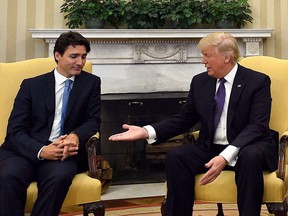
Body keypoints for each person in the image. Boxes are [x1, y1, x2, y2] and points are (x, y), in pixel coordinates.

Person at [109, 32, 278, 216]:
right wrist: (146, 131)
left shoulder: (257, 81)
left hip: (248, 145)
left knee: (249, 156)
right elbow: (184, 119)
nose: (202, 60)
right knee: (177, 156)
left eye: (207, 55)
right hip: (211, 147)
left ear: (226, 57)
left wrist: (226, 156)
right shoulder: (200, 82)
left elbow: (257, 126)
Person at [0, 31, 101, 216]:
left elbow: (93, 120)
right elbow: (15, 131)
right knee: (8, 176)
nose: (80, 62)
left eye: (84, 56)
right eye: (74, 56)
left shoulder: (91, 83)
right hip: (25, 151)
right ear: (57, 55)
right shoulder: (31, 85)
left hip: (63, 153)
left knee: (59, 177)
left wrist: (75, 135)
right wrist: (41, 151)